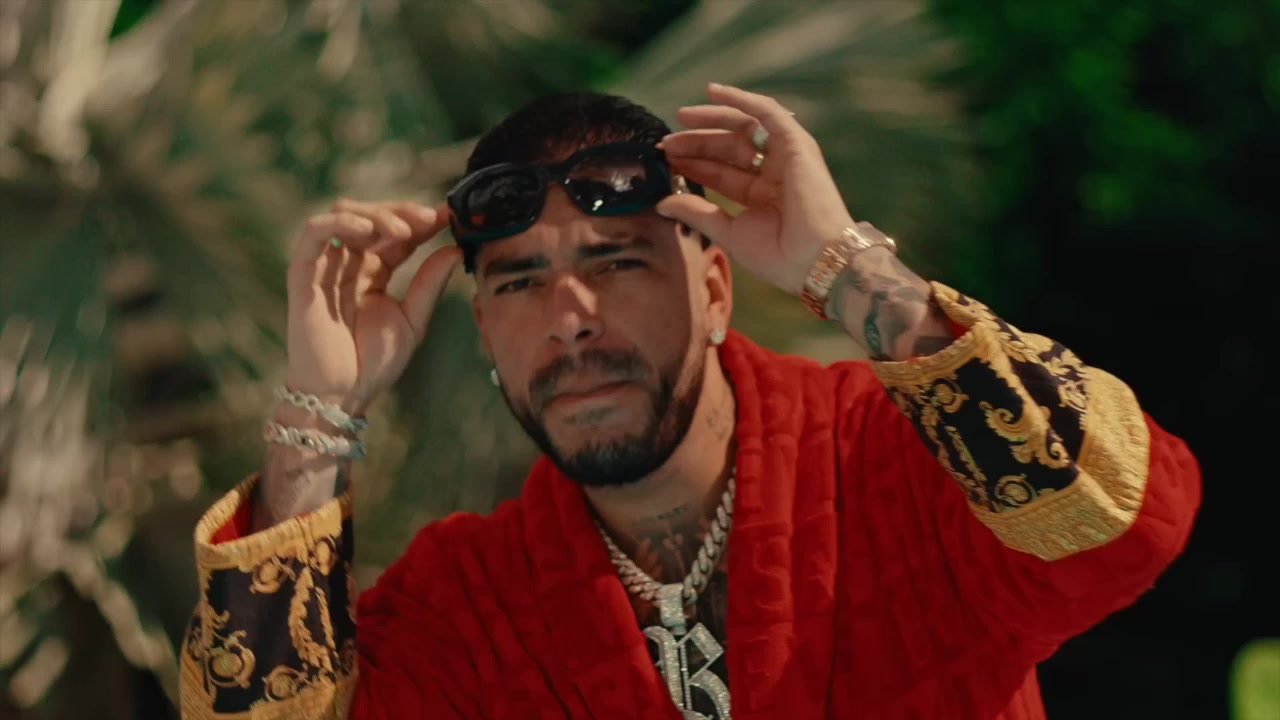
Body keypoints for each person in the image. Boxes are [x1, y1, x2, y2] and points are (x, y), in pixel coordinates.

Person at [180, 85, 1201, 720]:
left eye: (615, 262)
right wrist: (317, 415)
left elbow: (1123, 516)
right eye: (521, 282)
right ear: (484, 332)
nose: (569, 321)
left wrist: (852, 274)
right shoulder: (468, 606)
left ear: (714, 289)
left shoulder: (893, 457)